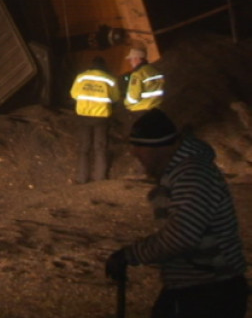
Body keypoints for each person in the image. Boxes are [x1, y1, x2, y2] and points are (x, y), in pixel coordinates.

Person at [105, 109, 248, 317]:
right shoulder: (179, 172)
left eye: (139, 146)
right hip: (195, 287)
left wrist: (131, 255)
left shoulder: (192, 175)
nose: (133, 153)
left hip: (210, 292)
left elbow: (181, 236)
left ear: (161, 148)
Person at [69, 56, 121, 183]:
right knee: (100, 147)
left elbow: (73, 95)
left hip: (84, 116)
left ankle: (81, 178)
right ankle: (100, 177)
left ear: (91, 65)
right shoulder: (110, 80)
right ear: (104, 66)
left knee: (84, 148)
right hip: (101, 117)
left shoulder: (81, 77)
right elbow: (116, 98)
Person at [123, 46, 165, 112]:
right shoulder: (155, 71)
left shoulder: (137, 74)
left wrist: (126, 103)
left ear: (137, 59)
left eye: (131, 59)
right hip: (157, 106)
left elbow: (133, 97)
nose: (130, 62)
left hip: (142, 108)